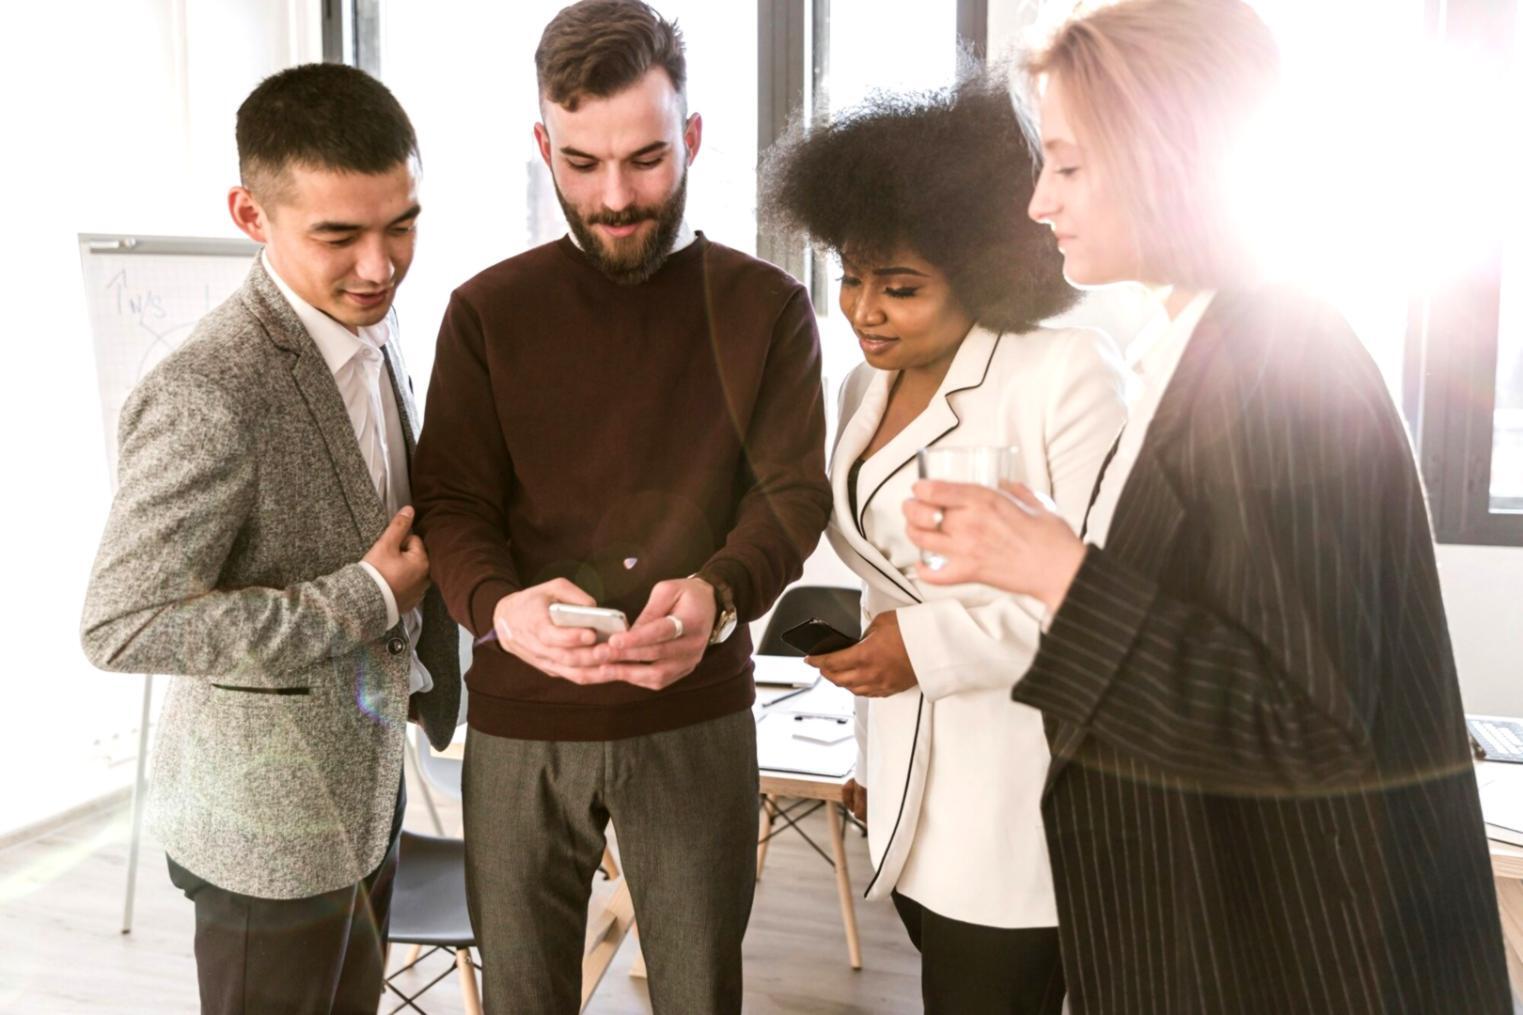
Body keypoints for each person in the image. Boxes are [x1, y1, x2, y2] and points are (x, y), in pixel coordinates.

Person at [903, 2, 1511, 1011]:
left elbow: (1306, 727)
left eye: (1066, 165)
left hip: (1299, 967)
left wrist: (1056, 573)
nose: (1036, 203)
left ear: (1163, 155)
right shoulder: (1199, 348)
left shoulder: (1278, 365)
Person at [409, 2, 832, 1011]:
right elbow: (453, 500)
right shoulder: (484, 312)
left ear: (689, 136)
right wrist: (494, 607)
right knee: (524, 996)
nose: (613, 197)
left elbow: (789, 496)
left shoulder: (764, 306)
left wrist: (721, 595)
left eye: (644, 159)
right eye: (580, 162)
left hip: (693, 715)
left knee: (696, 993)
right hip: (518, 719)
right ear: (541, 145)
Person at [79, 63, 462, 1013]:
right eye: (338, 235)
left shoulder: (372, 319)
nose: (380, 266)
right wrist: (365, 599)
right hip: (264, 830)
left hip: (367, 795)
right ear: (251, 216)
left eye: (401, 224)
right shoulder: (209, 390)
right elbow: (122, 624)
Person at [764, 77, 1126, 1014]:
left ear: (986, 269)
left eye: (901, 287)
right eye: (850, 276)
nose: (863, 311)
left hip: (1021, 792)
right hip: (905, 781)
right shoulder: (858, 390)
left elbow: (1101, 599)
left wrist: (915, 650)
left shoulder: (1063, 374)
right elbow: (886, 574)